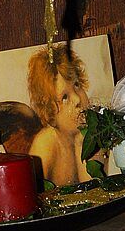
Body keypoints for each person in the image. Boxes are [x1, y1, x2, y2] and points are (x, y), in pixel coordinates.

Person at [27, 44, 91, 185]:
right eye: (64, 97)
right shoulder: (46, 145)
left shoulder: (93, 134)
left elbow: (95, 190)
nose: (77, 99)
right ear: (49, 111)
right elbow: (30, 192)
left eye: (77, 85)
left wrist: (80, 145)